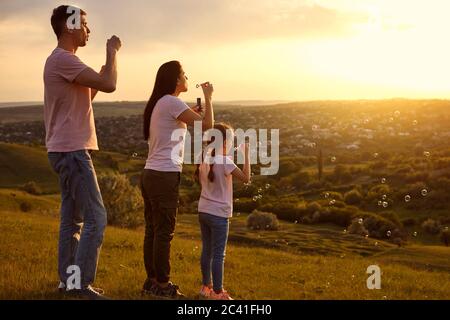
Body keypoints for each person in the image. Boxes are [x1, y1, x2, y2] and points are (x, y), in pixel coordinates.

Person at [44, 5, 121, 300]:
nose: (88, 30)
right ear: (70, 26)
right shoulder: (64, 59)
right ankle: (80, 285)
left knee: (72, 220)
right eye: (85, 25)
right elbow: (111, 84)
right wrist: (112, 52)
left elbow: (88, 94)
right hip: (73, 151)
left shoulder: (61, 61)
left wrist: (100, 74)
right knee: (96, 218)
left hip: (63, 150)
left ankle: (68, 281)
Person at [141, 60, 214, 299]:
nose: (186, 77)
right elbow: (208, 126)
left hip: (150, 173)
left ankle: (152, 281)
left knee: (153, 230)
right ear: (175, 79)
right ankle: (163, 285)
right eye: (183, 74)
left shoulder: (161, 103)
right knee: (164, 232)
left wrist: (189, 111)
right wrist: (208, 97)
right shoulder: (172, 102)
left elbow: (176, 124)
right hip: (164, 176)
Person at [195, 123, 251, 300]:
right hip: (219, 214)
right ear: (225, 141)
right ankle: (218, 293)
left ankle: (206, 287)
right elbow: (246, 178)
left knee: (207, 251)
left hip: (203, 210)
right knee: (219, 255)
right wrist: (246, 155)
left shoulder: (202, 156)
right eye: (231, 140)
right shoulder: (225, 161)